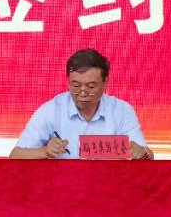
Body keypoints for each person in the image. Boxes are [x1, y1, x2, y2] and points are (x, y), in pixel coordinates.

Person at [10, 49, 154, 160]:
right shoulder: (52, 110)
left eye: (91, 86)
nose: (83, 93)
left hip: (110, 182)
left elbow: (148, 155)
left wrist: (142, 152)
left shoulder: (121, 110)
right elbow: (15, 155)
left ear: (105, 82)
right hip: (64, 184)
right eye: (76, 86)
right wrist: (45, 152)